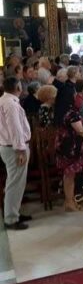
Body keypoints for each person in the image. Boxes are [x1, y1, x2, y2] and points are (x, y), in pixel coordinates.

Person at [0, 77, 32, 230]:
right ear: (18, 87)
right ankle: (11, 218)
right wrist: (20, 150)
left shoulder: (4, 100)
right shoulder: (10, 104)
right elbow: (15, 128)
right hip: (14, 148)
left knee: (16, 183)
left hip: (8, 146)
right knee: (14, 184)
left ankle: (14, 212)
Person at [55, 99, 83, 211]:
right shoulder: (72, 114)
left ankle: (70, 200)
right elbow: (80, 130)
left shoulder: (60, 111)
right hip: (71, 146)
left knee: (69, 174)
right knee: (69, 174)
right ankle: (69, 202)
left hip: (64, 144)